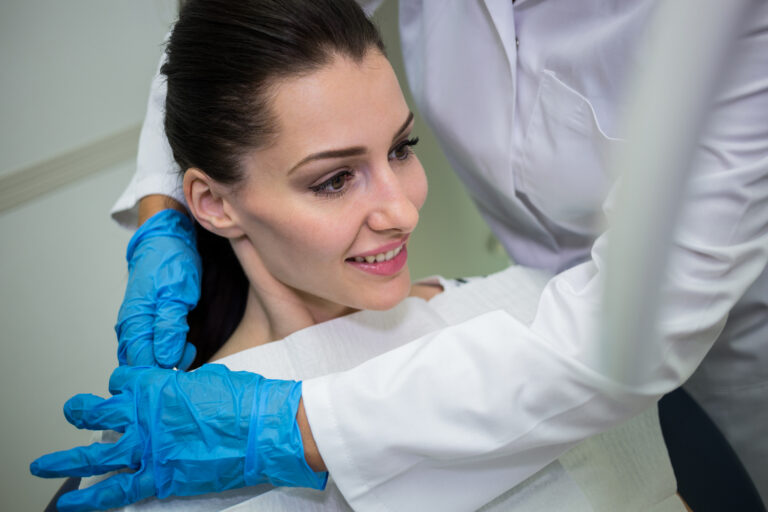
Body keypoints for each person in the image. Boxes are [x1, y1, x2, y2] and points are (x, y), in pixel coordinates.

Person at [35, 0, 768, 510]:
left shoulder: (521, 305)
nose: (404, 208)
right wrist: (161, 213)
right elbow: (232, 44)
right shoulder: (162, 452)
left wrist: (294, 428)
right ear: (216, 202)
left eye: (401, 148)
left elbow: (619, 351)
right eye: (333, 178)